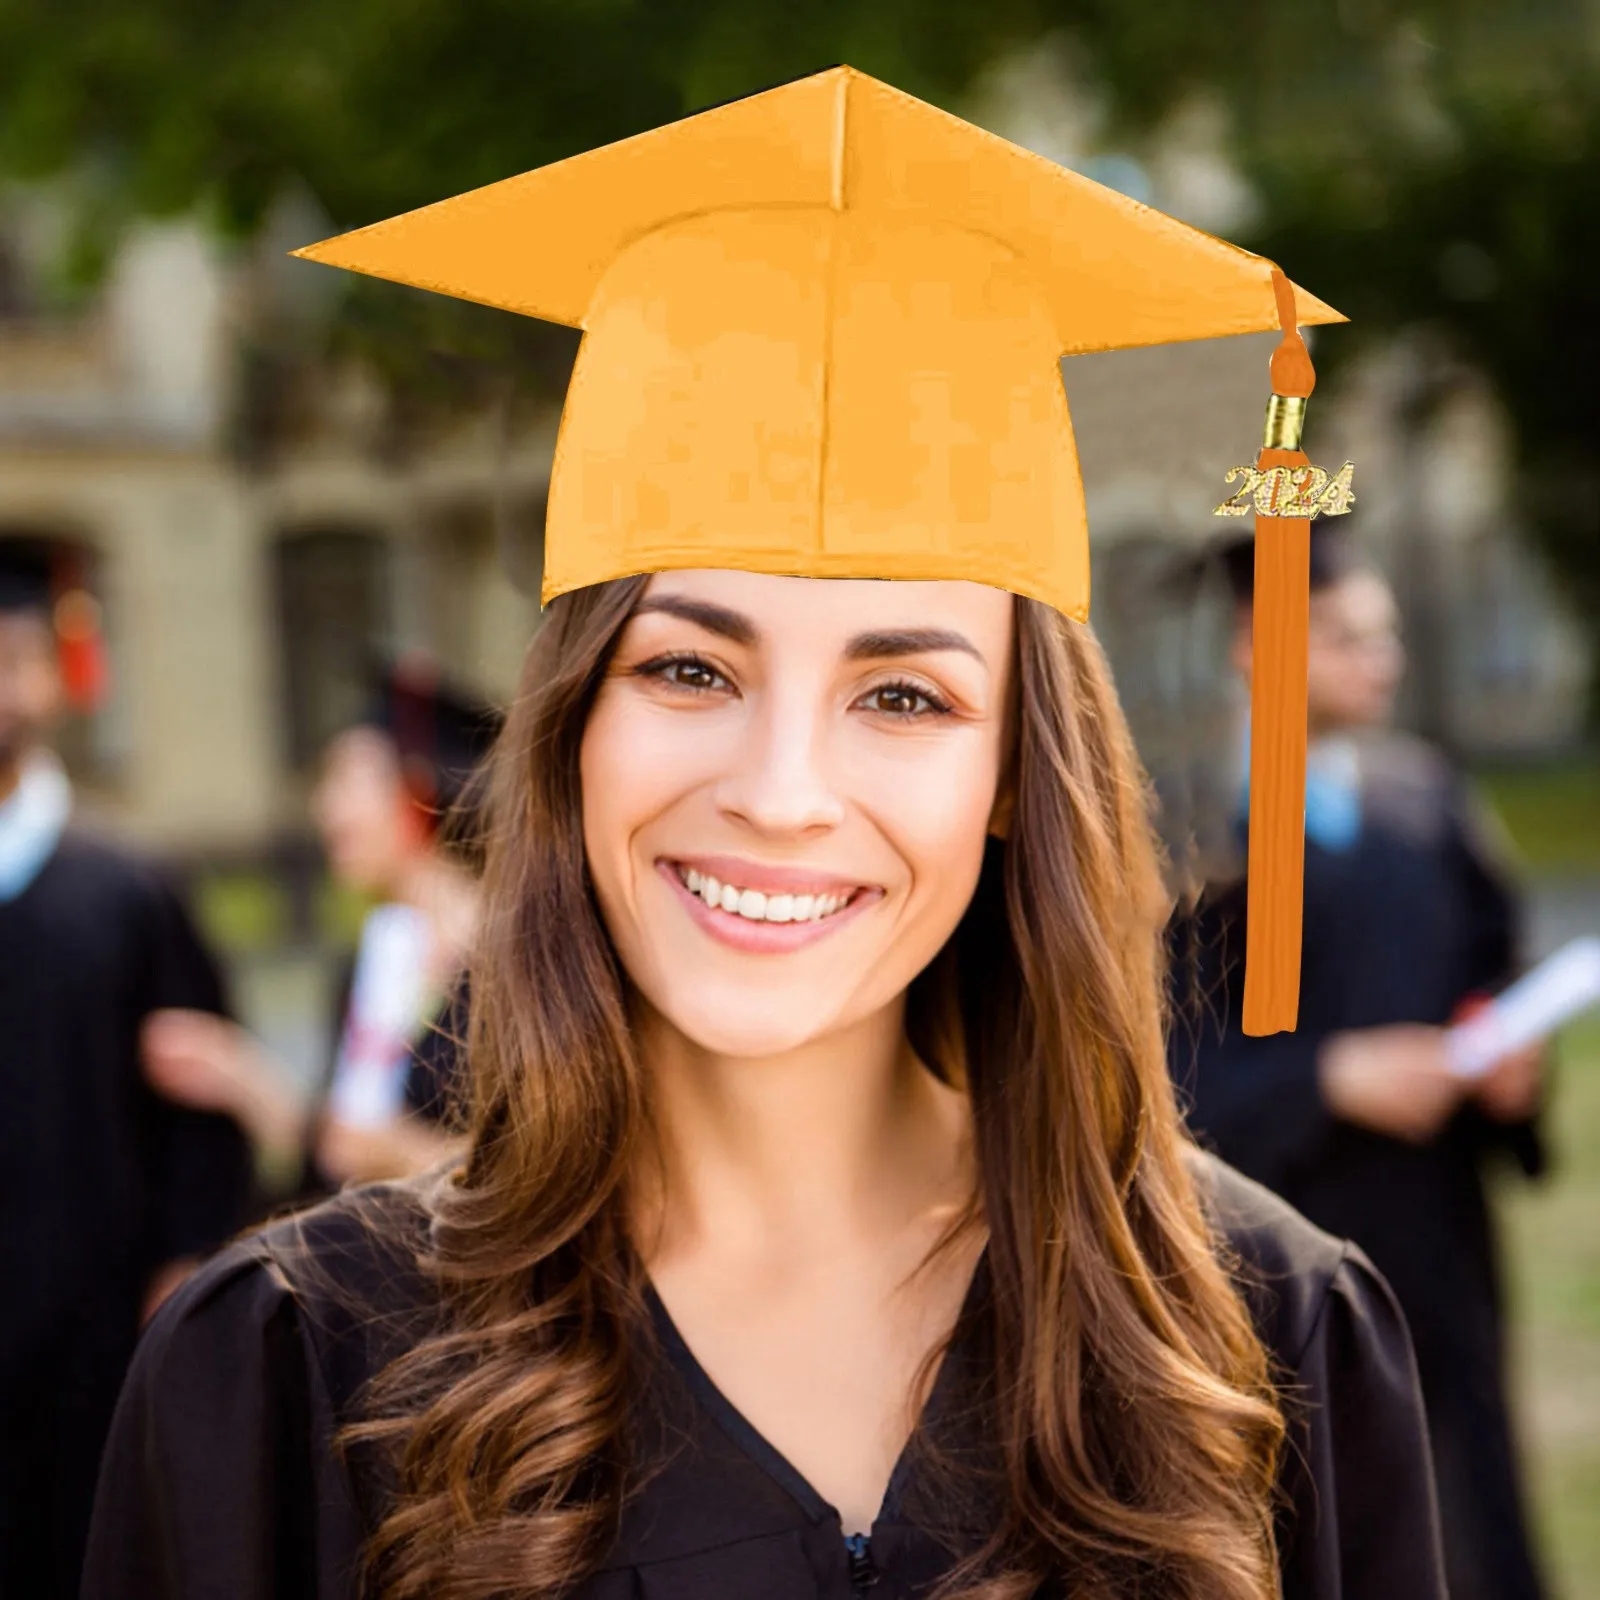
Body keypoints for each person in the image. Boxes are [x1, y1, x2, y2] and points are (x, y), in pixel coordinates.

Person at [85, 68, 1446, 1600]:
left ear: (1014, 776)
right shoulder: (290, 1373)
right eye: (687, 668)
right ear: (573, 730)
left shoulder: (1264, 1343)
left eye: (906, 697)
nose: (782, 788)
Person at [1169, 524, 1548, 1600]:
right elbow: (1144, 1069)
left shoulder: (1421, 800)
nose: (1378, 657)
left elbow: (1489, 968)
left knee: (1469, 1501)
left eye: (1381, 633)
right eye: (1342, 635)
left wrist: (1510, 1073)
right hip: (1274, 1252)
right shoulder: (1186, 832)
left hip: (1435, 1228)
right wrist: (1325, 1079)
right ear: (1254, 642)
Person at [0, 538, 252, 1598]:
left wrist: (182, 1270)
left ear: (52, 681)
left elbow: (202, 1115)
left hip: (97, 1336)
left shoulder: (128, 891)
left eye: (8, 660)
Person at [141, 656, 499, 1195]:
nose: (324, 808)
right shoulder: (377, 956)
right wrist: (242, 1077)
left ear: (417, 787)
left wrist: (406, 1153)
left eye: (346, 780)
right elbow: (342, 1152)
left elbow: (545, 1168)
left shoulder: (512, 958)